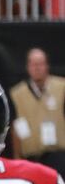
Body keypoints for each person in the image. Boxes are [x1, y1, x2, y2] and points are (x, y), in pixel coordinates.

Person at [10, 47, 65, 175]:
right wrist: (17, 157)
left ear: (47, 66)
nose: (37, 68)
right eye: (33, 64)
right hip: (31, 158)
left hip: (57, 155)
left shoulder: (61, 87)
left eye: (40, 64)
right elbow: (15, 127)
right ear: (28, 67)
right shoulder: (17, 93)